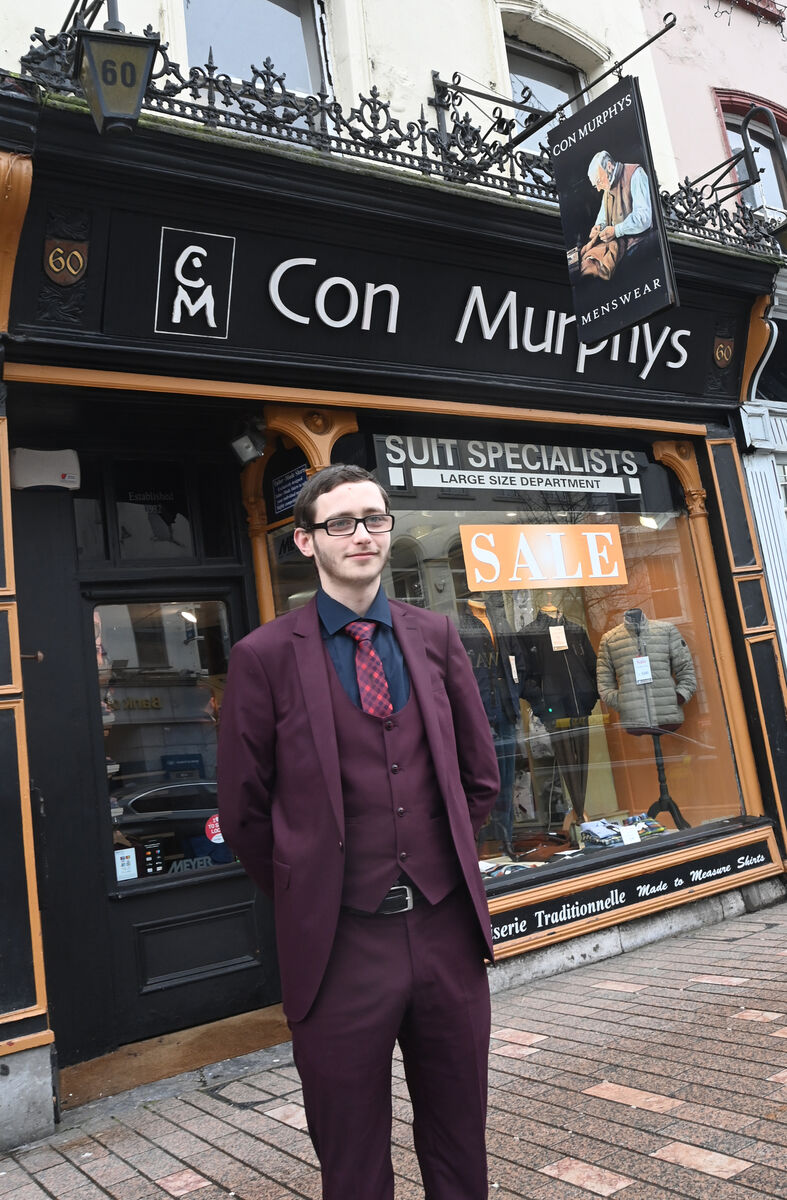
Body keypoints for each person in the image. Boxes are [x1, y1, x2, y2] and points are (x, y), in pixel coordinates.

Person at [217, 463, 500, 1200]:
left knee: (460, 1141)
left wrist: (438, 860)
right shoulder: (263, 656)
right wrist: (310, 883)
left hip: (445, 931)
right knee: (351, 1160)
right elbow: (244, 811)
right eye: (340, 523)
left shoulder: (435, 635)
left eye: (374, 519)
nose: (362, 535)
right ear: (305, 541)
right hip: (338, 946)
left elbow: (479, 776)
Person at [580, 149, 653, 280]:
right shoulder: (607, 187)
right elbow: (602, 218)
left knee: (597, 269)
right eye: (596, 185)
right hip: (616, 242)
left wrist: (616, 230)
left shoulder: (636, 173)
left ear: (609, 166)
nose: (598, 189)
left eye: (599, 181)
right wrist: (598, 227)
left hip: (637, 241)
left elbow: (644, 218)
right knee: (587, 261)